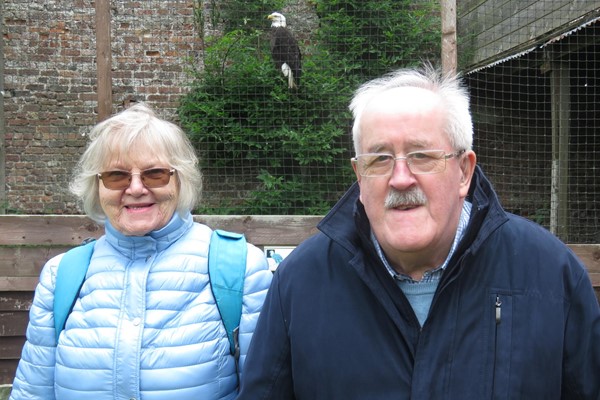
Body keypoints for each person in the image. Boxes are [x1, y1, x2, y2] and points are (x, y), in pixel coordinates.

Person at [238, 64, 600, 399]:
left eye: (422, 155)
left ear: (463, 172)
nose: (400, 178)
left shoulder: (551, 273)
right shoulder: (300, 282)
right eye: (379, 158)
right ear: (359, 176)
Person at [10, 103, 273, 399]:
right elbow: (33, 393)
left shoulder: (241, 268)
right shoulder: (61, 276)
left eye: (155, 174)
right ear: (97, 186)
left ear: (180, 179)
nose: (135, 188)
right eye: (116, 176)